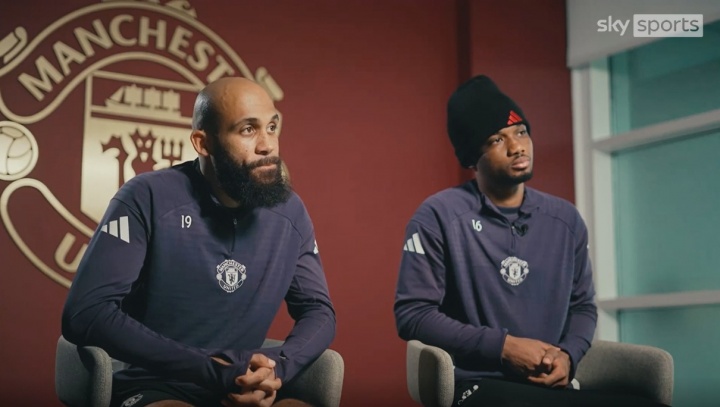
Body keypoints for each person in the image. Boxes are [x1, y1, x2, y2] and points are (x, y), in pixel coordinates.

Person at [393, 75, 670, 407]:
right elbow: (413, 315)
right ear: (471, 157)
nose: (517, 147)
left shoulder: (565, 219)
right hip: (477, 384)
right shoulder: (439, 215)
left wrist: (569, 355)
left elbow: (582, 306)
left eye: (521, 132)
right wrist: (504, 347)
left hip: (550, 386)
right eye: (497, 139)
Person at [62, 77, 336, 407]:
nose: (267, 145)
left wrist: (276, 368)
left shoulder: (290, 211)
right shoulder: (147, 196)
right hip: (156, 384)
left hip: (243, 386)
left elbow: (319, 311)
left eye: (272, 127)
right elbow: (86, 313)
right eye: (248, 129)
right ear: (203, 143)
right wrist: (210, 369)